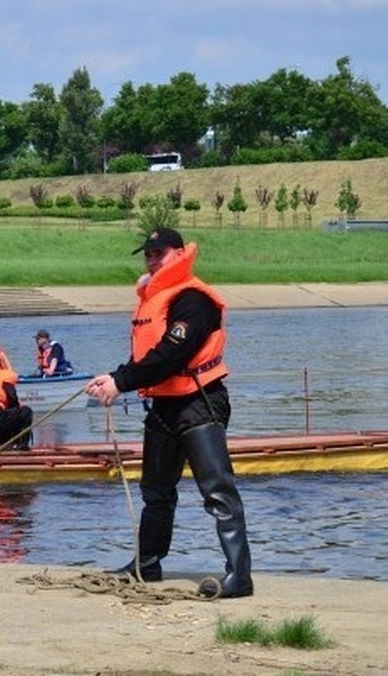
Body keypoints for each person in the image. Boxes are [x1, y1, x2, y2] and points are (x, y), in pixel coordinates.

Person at [85, 227, 253, 599]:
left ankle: (239, 576)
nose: (152, 260)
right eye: (148, 254)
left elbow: (172, 354)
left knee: (218, 492)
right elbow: (147, 359)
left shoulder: (193, 299)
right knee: (156, 492)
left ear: (179, 254)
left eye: (159, 253)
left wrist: (122, 381)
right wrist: (112, 379)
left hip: (200, 402)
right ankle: (147, 564)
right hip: (163, 407)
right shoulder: (153, 302)